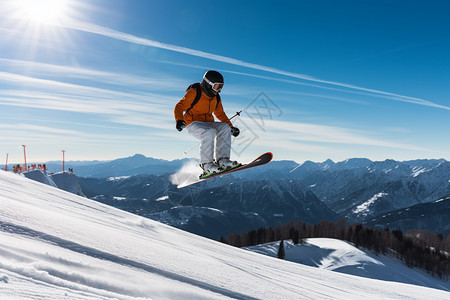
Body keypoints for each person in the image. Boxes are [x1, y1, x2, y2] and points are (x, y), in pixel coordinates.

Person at [174, 70, 240, 175]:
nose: (219, 90)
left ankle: (222, 160)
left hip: (207, 123)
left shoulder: (216, 97)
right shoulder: (194, 92)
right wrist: (179, 120)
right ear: (208, 84)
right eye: (217, 86)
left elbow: (220, 114)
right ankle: (206, 165)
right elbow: (179, 106)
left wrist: (231, 128)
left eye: (221, 87)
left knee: (224, 128)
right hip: (192, 122)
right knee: (208, 132)